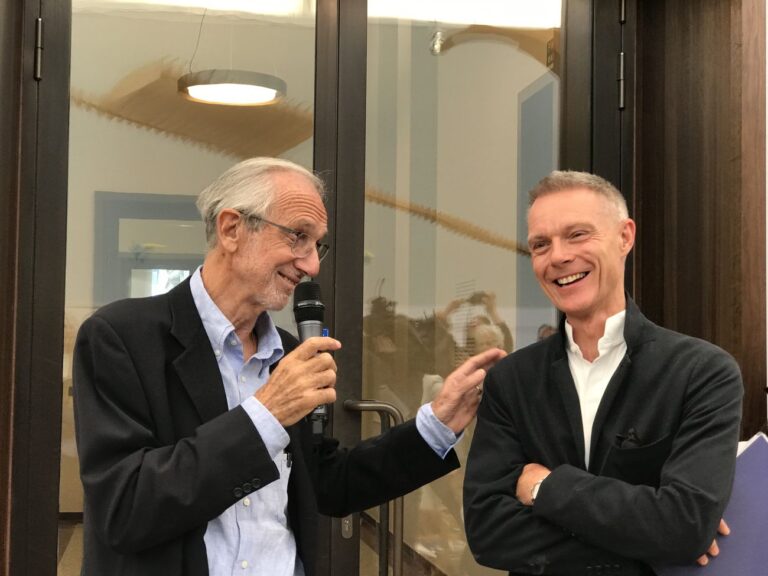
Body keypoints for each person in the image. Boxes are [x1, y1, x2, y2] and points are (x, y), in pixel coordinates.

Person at [73, 157, 505, 576]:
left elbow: (329, 482)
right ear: (231, 229)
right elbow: (124, 508)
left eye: (318, 244)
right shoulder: (122, 337)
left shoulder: (287, 351)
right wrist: (267, 414)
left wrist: (436, 426)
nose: (312, 264)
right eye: (298, 236)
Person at [464, 170, 743, 575]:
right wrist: (646, 540)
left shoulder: (702, 372)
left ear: (625, 237)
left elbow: (685, 525)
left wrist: (544, 487)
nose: (558, 256)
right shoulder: (511, 381)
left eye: (577, 235)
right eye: (541, 244)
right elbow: (489, 533)